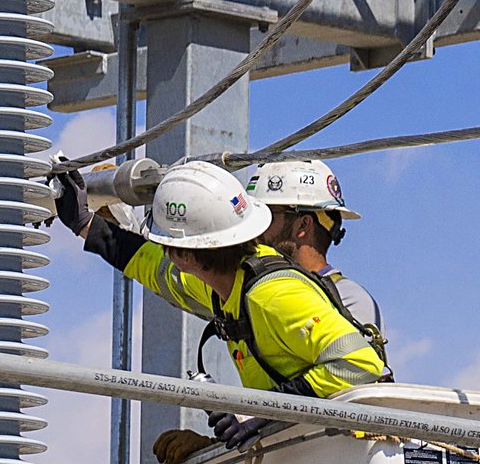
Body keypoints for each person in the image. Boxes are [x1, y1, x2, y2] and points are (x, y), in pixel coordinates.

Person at [54, 159, 389, 449]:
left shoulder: (274, 292)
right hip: (296, 456)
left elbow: (360, 365)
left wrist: (259, 412)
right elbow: (155, 269)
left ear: (184, 254)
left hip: (337, 454)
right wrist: (87, 224)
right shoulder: (225, 285)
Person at [238, 156, 386, 358]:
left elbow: (354, 374)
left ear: (303, 225)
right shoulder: (255, 288)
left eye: (266, 215)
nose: (255, 228)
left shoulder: (348, 301)